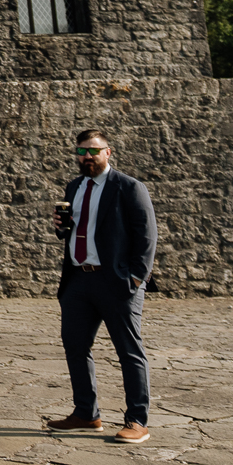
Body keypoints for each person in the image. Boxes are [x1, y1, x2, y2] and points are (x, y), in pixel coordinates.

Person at [48, 129, 157, 444]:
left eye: (93, 151)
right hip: (78, 279)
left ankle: (137, 420)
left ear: (108, 152)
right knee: (75, 346)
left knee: (129, 351)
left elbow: (147, 237)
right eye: (81, 151)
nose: (86, 157)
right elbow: (75, 231)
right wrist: (61, 228)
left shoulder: (129, 187)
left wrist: (135, 279)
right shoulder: (74, 186)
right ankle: (86, 413)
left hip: (116, 282)